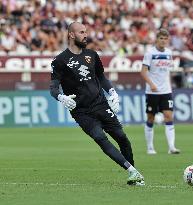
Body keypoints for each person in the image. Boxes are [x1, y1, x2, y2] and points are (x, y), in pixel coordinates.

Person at [49, 22, 144, 186]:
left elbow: (101, 78)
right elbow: (53, 87)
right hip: (82, 111)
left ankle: (134, 177)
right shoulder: (59, 61)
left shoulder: (92, 55)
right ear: (71, 35)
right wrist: (61, 97)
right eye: (81, 32)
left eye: (86, 32)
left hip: (101, 104)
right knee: (100, 138)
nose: (85, 35)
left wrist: (112, 92)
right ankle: (132, 171)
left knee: (122, 138)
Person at [140, 28, 180, 155]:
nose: (163, 41)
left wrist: (169, 87)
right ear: (157, 39)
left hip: (166, 91)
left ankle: (172, 147)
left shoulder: (169, 53)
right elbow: (143, 71)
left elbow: (167, 72)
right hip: (152, 92)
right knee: (150, 118)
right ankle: (150, 147)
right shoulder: (150, 53)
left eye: (165, 38)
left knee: (169, 116)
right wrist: (151, 84)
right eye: (161, 38)